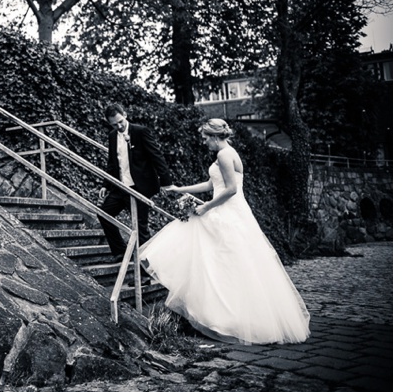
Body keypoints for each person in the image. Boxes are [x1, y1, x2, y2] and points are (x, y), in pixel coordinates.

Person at [138, 119, 311, 345]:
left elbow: (230, 190)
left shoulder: (224, 155)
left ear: (215, 136)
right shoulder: (227, 153)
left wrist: (206, 207)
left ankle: (232, 319)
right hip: (229, 210)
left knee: (222, 260)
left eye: (205, 137)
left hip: (228, 212)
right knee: (224, 263)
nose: (203, 141)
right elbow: (212, 185)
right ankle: (224, 316)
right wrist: (181, 189)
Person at [98, 103, 173, 260]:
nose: (118, 126)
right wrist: (106, 185)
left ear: (125, 114)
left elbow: (156, 156)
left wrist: (166, 183)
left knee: (140, 229)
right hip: (121, 187)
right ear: (109, 123)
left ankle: (144, 273)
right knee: (104, 213)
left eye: (120, 122)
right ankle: (120, 252)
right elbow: (112, 163)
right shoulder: (112, 136)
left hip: (140, 188)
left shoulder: (140, 132)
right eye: (114, 124)